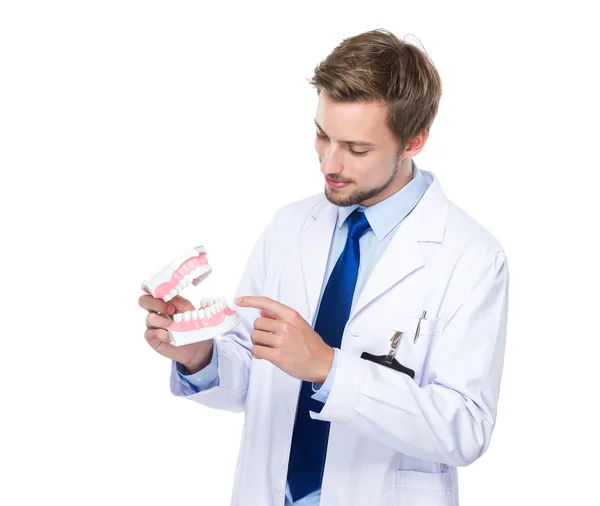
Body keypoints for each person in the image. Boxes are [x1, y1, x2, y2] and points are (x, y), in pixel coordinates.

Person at [138, 28, 509, 506]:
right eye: (321, 135)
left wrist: (330, 369)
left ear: (414, 141)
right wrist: (199, 355)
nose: (328, 163)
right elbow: (252, 372)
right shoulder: (290, 226)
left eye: (356, 149)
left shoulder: (471, 257)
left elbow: (466, 428)